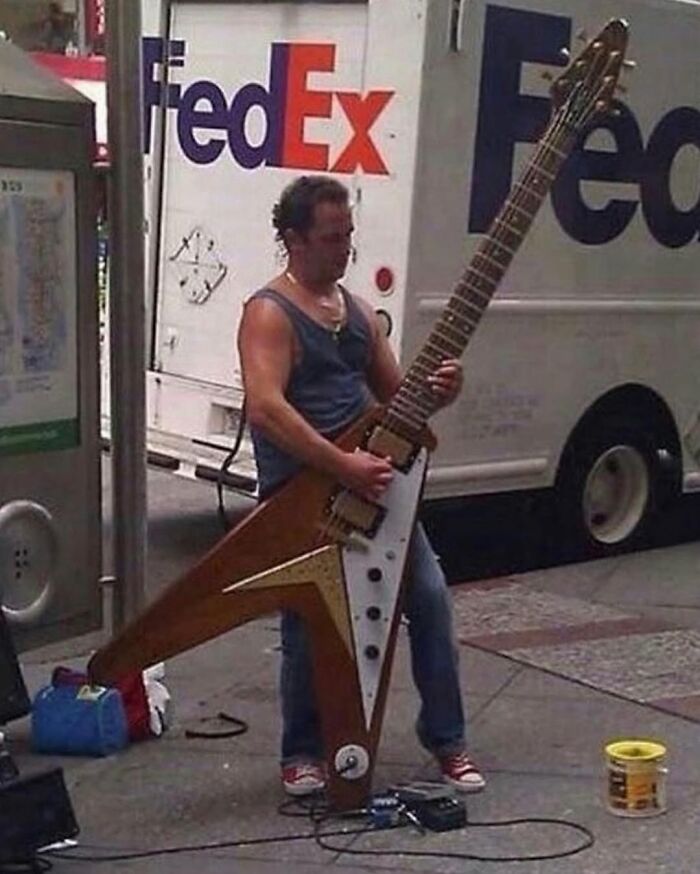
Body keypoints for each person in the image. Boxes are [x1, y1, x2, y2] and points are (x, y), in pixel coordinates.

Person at [237, 175, 485, 798]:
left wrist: (440, 391)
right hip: (305, 492)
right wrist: (339, 464)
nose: (344, 248)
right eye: (330, 237)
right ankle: (302, 752)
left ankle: (448, 741)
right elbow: (265, 408)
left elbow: (399, 397)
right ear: (293, 239)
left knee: (429, 601)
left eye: (348, 235)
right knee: (308, 622)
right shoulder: (270, 312)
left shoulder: (353, 311)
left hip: (377, 486)